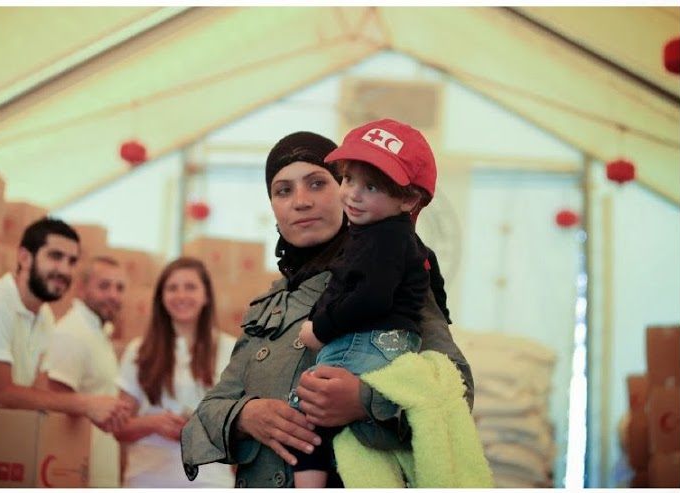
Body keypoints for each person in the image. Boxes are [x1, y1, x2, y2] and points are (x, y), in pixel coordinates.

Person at [180, 130, 474, 487]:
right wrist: (245, 415)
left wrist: (364, 401)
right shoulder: (269, 303)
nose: (300, 202)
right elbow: (210, 408)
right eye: (283, 190)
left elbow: (456, 388)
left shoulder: (391, 273)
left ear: (345, 189)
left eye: (317, 184)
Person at [290, 118, 438, 487]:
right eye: (348, 179)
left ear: (408, 199)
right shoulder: (380, 240)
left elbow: (372, 297)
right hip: (380, 343)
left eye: (370, 186)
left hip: (370, 343)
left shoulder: (382, 239)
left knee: (308, 408)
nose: (352, 194)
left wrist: (319, 329)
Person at [0, 217, 130, 432]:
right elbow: (1, 394)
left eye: (71, 261)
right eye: (55, 256)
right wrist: (86, 403)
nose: (64, 270)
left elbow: (37, 392)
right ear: (24, 257)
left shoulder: (45, 316)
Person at [114, 257, 236, 488]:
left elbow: (242, 427)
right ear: (161, 297)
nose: (181, 296)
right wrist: (153, 424)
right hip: (147, 479)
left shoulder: (231, 350)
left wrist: (198, 427)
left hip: (210, 482)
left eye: (190, 287)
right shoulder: (138, 351)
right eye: (172, 288)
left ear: (206, 295)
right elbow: (120, 429)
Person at [41, 256, 127, 487]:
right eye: (104, 286)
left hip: (97, 470)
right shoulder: (73, 333)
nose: (114, 295)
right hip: (77, 474)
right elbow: (55, 404)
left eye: (119, 288)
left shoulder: (97, 332)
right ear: (81, 289)